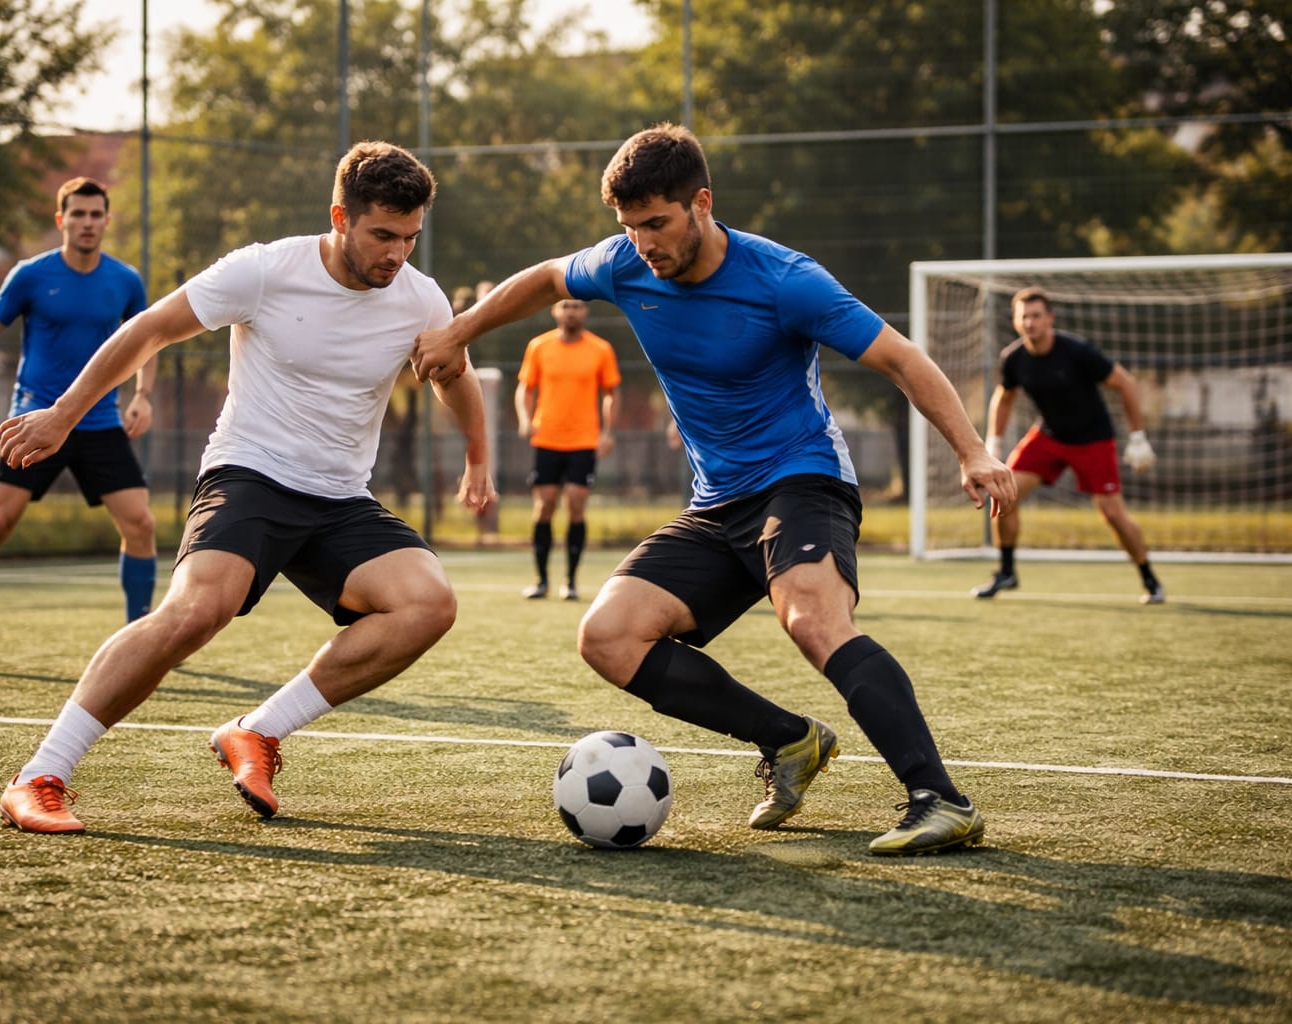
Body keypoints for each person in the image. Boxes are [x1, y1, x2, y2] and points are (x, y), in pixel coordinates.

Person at [413, 123, 1017, 857]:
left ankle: (940, 799)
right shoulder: (623, 263)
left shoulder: (785, 280)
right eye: (630, 226)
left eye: (657, 223)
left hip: (802, 479)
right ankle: (789, 740)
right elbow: (545, 279)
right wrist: (460, 331)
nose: (643, 243)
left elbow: (900, 358)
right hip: (717, 502)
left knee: (812, 620)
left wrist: (972, 449)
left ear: (701, 203)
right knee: (608, 637)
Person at [0, 141, 494, 834]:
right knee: (197, 612)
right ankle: (39, 775)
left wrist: (476, 454)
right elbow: (148, 331)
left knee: (428, 604)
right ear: (340, 217)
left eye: (410, 238)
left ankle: (257, 731)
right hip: (250, 474)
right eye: (383, 235)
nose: (397, 254)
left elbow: (452, 373)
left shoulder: (419, 297)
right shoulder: (263, 270)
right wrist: (63, 415)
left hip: (340, 496)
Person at [0, 176, 156, 671]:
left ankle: (141, 641)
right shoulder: (30, 275)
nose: (87, 223)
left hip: (99, 422)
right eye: (78, 214)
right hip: (35, 419)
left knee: (141, 524)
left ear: (107, 221)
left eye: (95, 215)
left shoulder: (125, 280)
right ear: (61, 219)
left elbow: (147, 339)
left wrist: (142, 395)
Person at [971, 286, 1164, 604]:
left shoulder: (1078, 351)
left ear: (1050, 318)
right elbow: (1004, 398)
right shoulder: (1014, 358)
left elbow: (1126, 383)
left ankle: (1149, 579)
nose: (1030, 323)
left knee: (1112, 514)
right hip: (1049, 436)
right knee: (1004, 492)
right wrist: (993, 444)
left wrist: (1138, 437)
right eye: (1024, 317)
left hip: (1093, 439)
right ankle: (1006, 571)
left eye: (1036, 316)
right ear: (1016, 322)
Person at [514, 298, 621, 601]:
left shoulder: (600, 349)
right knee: (545, 505)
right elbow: (525, 388)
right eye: (565, 306)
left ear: (585, 311)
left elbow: (612, 393)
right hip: (547, 438)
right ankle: (541, 580)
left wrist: (608, 432)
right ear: (555, 311)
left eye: (577, 306)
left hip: (584, 440)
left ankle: (571, 581)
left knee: (575, 503)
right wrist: (525, 419)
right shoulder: (539, 346)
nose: (571, 311)